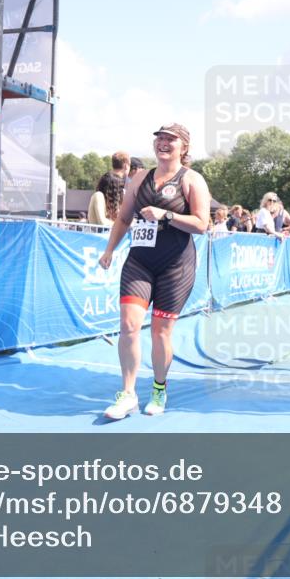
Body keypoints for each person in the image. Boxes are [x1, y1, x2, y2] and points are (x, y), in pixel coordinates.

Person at [98, 123, 211, 420]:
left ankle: (159, 389)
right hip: (140, 262)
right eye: (159, 138)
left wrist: (168, 214)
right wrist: (109, 250)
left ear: (183, 147)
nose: (163, 143)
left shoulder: (192, 179)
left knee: (161, 332)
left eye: (170, 139)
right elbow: (123, 218)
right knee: (129, 325)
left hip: (176, 266)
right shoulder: (139, 178)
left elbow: (202, 224)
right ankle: (128, 394)